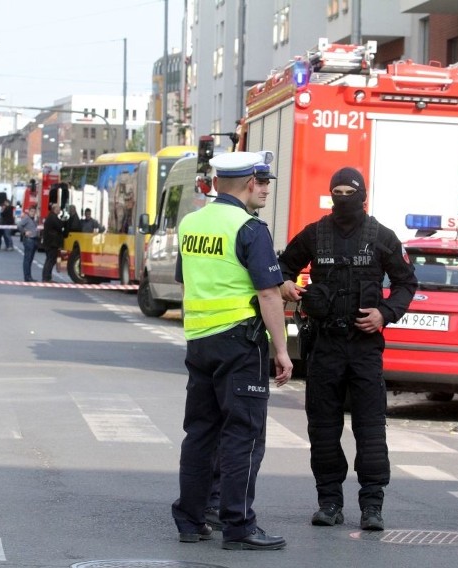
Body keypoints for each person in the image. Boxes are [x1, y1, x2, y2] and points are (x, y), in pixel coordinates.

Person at [278, 167, 417, 531]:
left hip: (364, 348)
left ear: (362, 195)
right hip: (324, 347)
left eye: (349, 191)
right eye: (336, 191)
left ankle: (372, 506)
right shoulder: (315, 234)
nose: (343, 198)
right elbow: (281, 265)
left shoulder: (381, 237)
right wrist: (285, 285)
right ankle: (329, 502)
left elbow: (406, 282)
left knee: (370, 431)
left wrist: (384, 314)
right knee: (323, 430)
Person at [171, 151, 292, 551]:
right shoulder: (249, 228)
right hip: (241, 343)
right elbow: (269, 293)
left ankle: (190, 520)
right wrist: (282, 349)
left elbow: (186, 281)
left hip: (200, 340)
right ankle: (238, 527)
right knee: (244, 435)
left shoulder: (191, 223)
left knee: (200, 432)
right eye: (263, 181)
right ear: (246, 183)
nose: (266, 188)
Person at [41, 202, 64, 282]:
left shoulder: (50, 216)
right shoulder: (53, 217)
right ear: (55, 209)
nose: (60, 210)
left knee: (49, 260)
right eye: (58, 208)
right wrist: (63, 220)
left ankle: (47, 276)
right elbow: (60, 226)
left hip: (49, 242)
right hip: (52, 243)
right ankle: (46, 277)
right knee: (50, 260)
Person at [18, 205, 39, 282]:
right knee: (27, 259)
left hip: (34, 240)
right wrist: (24, 232)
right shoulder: (26, 218)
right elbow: (19, 225)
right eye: (32, 211)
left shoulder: (33, 219)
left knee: (30, 259)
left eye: (34, 211)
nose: (33, 213)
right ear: (29, 211)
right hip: (29, 240)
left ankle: (29, 276)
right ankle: (27, 277)